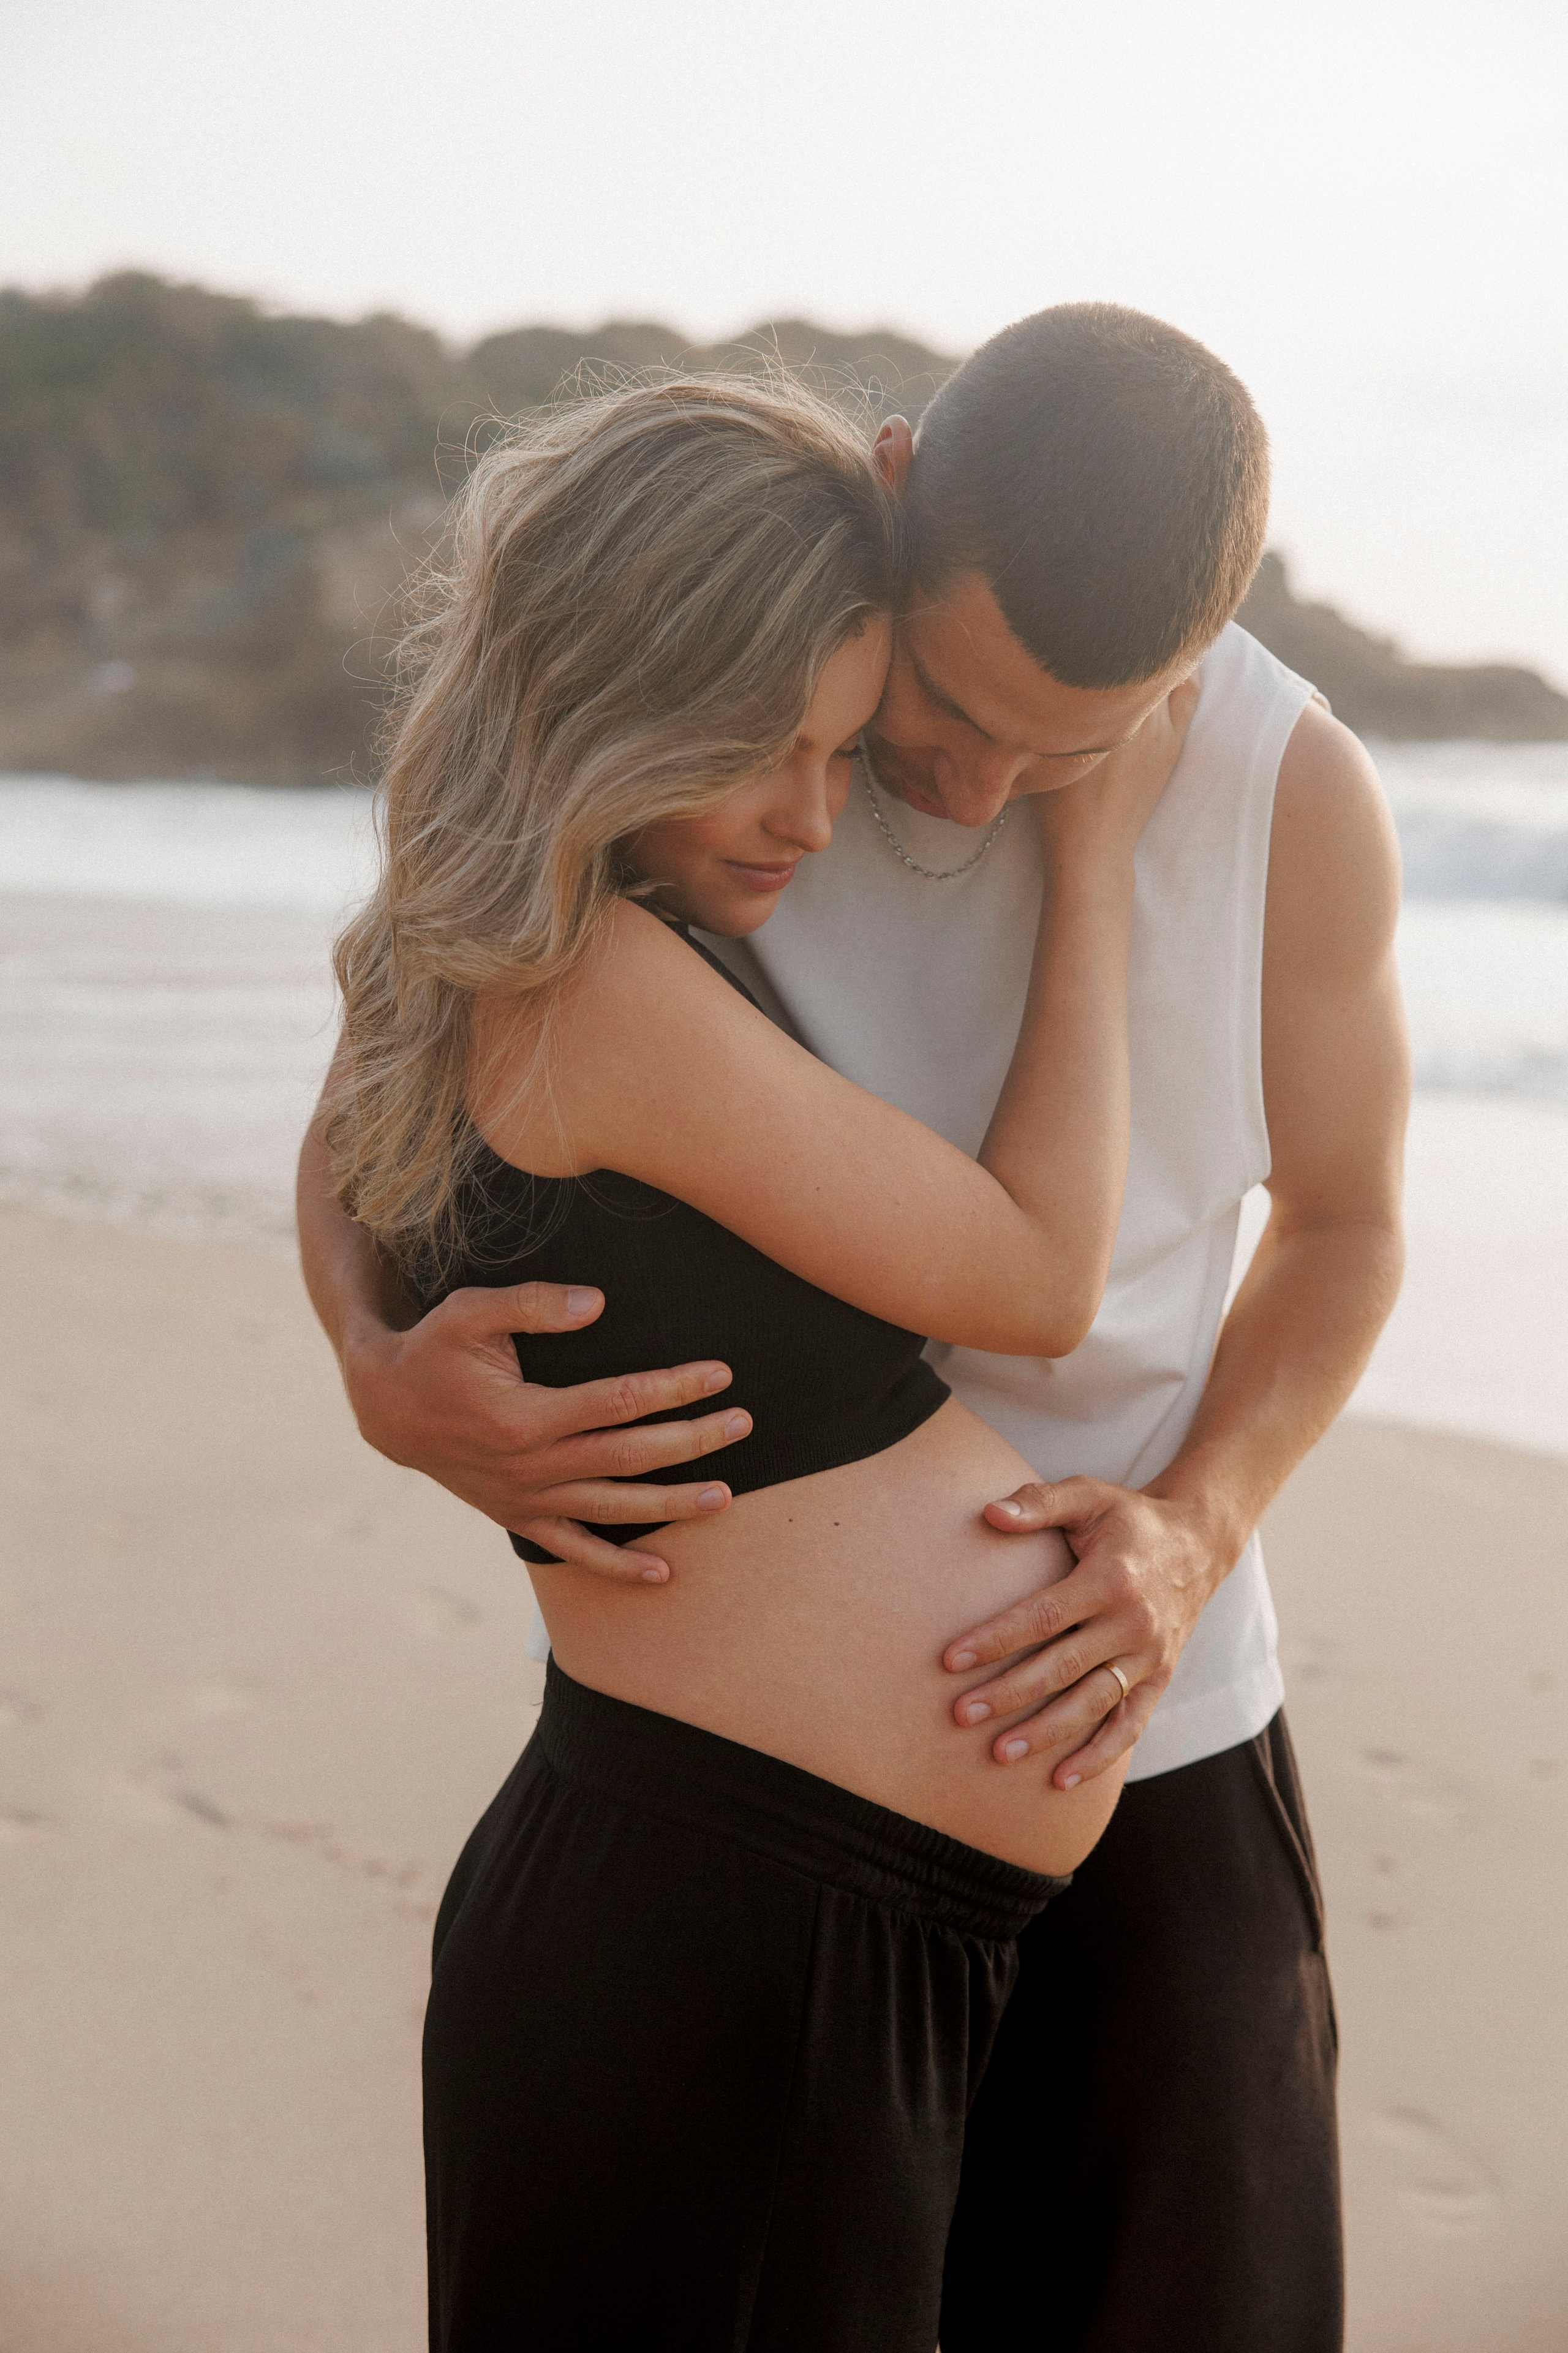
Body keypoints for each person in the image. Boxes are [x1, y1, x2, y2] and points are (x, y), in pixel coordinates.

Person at [299, 306, 1409, 2352]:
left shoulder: (1289, 794)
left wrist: (1192, 1528)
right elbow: (398, 1042)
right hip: (769, 1810)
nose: (969, 777)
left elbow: (1342, 1232)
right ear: (896, 491)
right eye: (950, 704)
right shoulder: (747, 719)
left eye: (1067, 742)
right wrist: (374, 1361)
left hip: (1156, 1746)